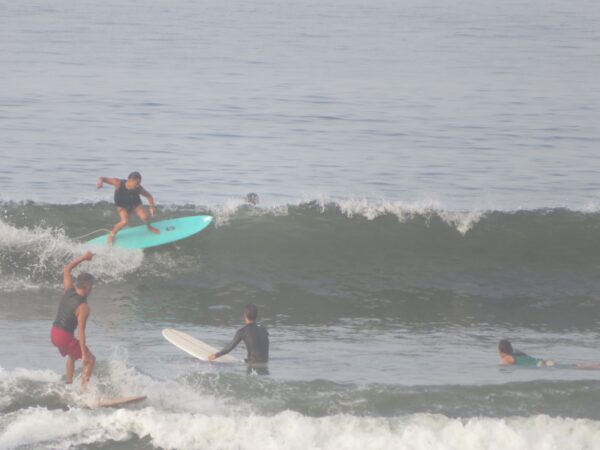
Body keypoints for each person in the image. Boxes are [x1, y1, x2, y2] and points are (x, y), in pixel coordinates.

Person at [50, 251, 96, 388]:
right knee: (91, 360)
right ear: (87, 287)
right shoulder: (83, 307)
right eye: (92, 286)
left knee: (71, 355)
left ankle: (69, 384)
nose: (92, 289)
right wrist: (84, 354)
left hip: (54, 333)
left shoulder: (68, 289)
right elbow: (81, 331)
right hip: (64, 336)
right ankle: (84, 392)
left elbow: (67, 269)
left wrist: (83, 258)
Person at [96, 171, 159, 245]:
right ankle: (112, 234)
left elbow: (149, 196)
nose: (138, 185)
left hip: (135, 204)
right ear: (129, 180)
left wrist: (151, 206)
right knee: (124, 221)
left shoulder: (139, 188)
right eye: (136, 183)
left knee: (144, 217)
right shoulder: (118, 183)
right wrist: (100, 182)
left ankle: (149, 227)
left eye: (139, 183)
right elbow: (102, 178)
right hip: (122, 205)